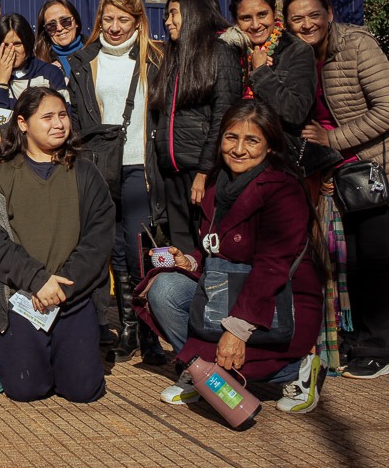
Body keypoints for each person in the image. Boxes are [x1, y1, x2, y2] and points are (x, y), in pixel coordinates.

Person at [138, 100, 326, 414]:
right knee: (164, 289)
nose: (238, 149)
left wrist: (237, 330)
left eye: (251, 140)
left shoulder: (283, 189)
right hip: (226, 285)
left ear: (269, 147)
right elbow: (214, 244)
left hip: (278, 296)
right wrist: (193, 260)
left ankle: (297, 370)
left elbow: (272, 265)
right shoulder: (215, 184)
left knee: (242, 364)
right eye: (231, 137)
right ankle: (202, 372)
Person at [0, 87, 112, 403]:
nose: (58, 124)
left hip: (73, 295)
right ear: (22, 123)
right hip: (21, 298)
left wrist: (61, 288)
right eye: (47, 117)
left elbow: (98, 240)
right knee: (26, 389)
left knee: (82, 391)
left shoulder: (85, 172)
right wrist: (37, 280)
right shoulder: (0, 174)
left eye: (62, 115)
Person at [284, 0, 389, 379]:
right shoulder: (298, 56)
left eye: (314, 14)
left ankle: (379, 346)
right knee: (348, 264)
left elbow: (387, 107)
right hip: (333, 173)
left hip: (372, 168)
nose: (307, 23)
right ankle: (358, 340)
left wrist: (334, 140)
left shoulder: (357, 45)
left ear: (329, 14)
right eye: (297, 18)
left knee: (376, 259)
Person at [67, 0, 166, 364]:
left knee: (140, 247)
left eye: (123, 19)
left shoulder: (155, 58)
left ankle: (150, 332)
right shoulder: (84, 59)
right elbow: (78, 118)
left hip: (141, 163)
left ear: (138, 20)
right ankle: (127, 329)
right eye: (107, 19)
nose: (114, 27)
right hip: (100, 164)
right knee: (112, 250)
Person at [149, 0, 243, 254]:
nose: (167, 22)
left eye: (173, 14)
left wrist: (204, 172)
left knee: (208, 245)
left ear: (194, 13)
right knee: (182, 249)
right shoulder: (174, 56)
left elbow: (224, 119)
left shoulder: (221, 54)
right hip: (172, 171)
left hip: (202, 172)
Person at [226, 0, 315, 136]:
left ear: (274, 12)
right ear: (235, 19)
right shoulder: (228, 50)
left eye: (262, 15)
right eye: (246, 18)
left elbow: (295, 112)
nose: (255, 25)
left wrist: (261, 72)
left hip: (279, 149)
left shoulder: (297, 50)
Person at [0, 13, 68, 113]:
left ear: (27, 43)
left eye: (17, 44)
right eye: (5, 45)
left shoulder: (50, 74)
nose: (11, 50)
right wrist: (0, 83)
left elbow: (64, 116)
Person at [34, 0, 86, 77]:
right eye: (51, 25)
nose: (59, 28)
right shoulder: (38, 64)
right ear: (45, 30)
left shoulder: (96, 52)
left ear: (76, 22)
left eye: (65, 21)